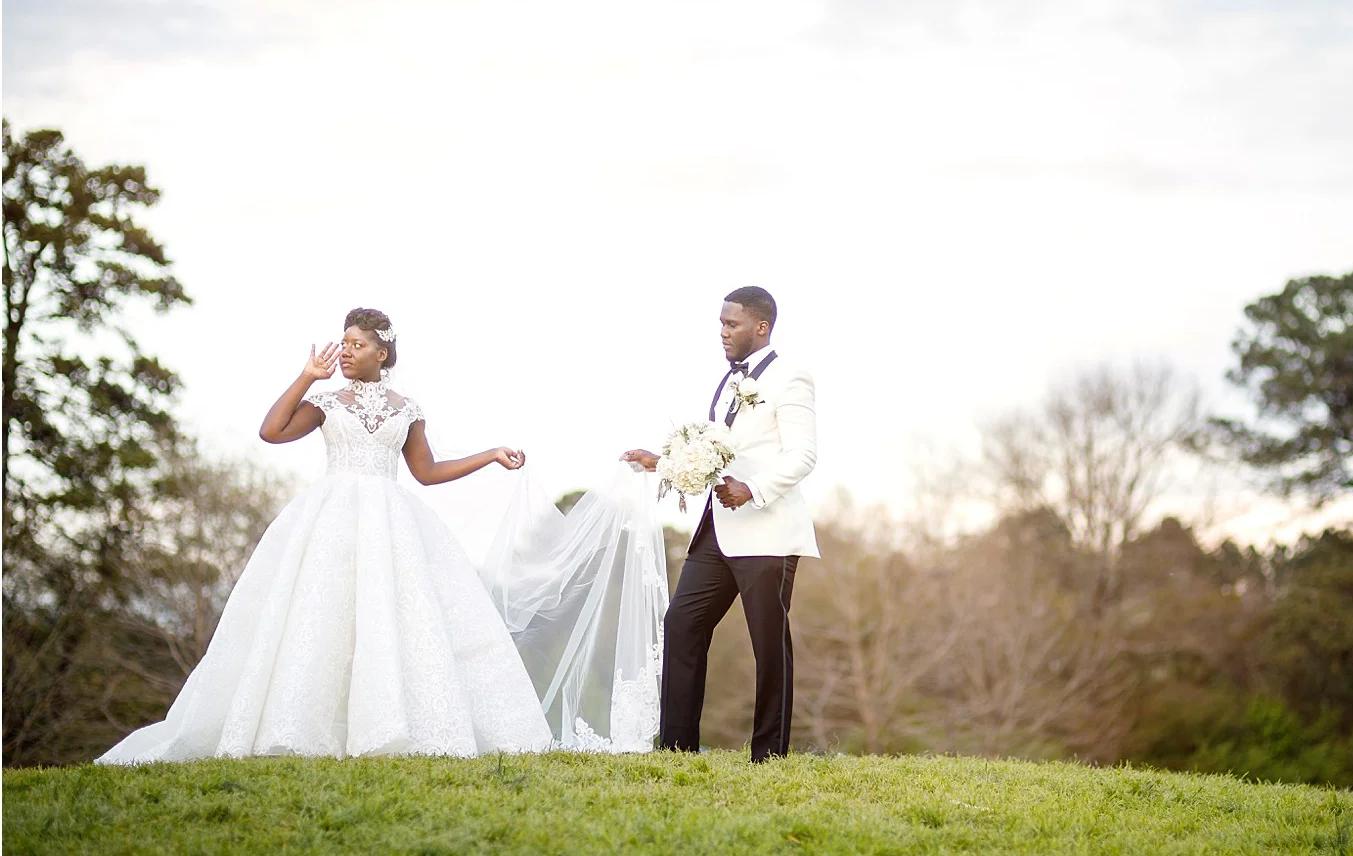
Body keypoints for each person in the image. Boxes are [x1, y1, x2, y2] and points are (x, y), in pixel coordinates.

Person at [96, 308, 554, 763]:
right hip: (331, 521)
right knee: (319, 617)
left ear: (383, 351)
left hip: (392, 526)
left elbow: (427, 471)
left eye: (358, 344)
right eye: (345, 342)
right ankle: (300, 728)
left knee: (390, 618)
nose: (347, 352)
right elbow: (271, 431)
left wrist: (491, 454)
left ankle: (389, 725)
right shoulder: (327, 402)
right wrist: (307, 378)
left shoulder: (408, 411)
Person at [622, 286, 819, 762]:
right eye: (721, 324)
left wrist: (753, 489)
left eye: (731, 325)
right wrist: (664, 463)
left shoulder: (791, 378)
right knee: (683, 624)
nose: (723, 332)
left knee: (768, 644)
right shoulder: (729, 380)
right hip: (717, 531)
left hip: (768, 531)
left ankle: (768, 754)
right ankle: (676, 749)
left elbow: (803, 455)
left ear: (761, 326)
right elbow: (718, 453)